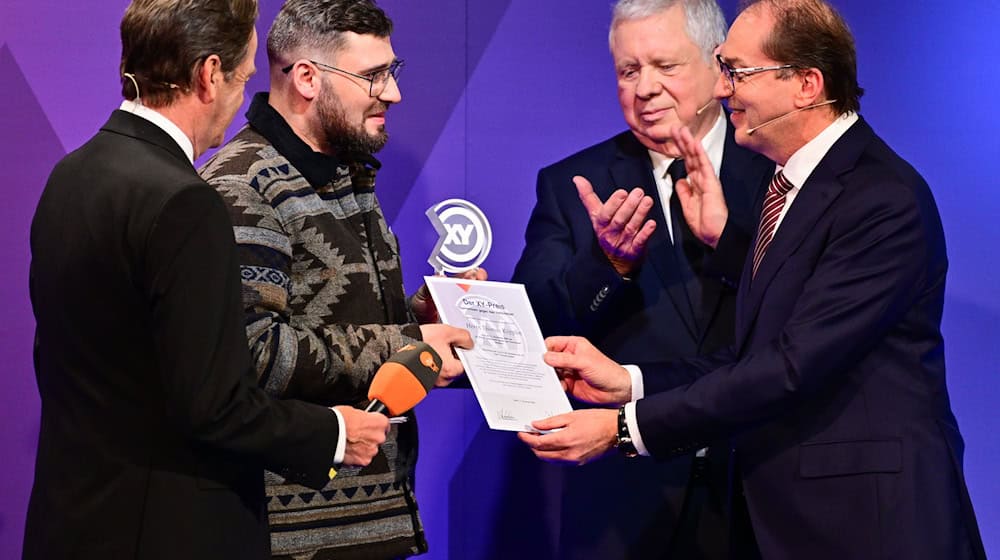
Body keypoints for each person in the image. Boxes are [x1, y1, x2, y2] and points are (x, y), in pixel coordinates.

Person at [520, 0, 987, 558]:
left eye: (737, 72)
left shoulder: (880, 198)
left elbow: (791, 366)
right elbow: (757, 352)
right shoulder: (800, 185)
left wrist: (625, 427)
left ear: (807, 85)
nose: (723, 89)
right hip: (774, 516)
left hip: (866, 522)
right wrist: (630, 383)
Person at [24, 1, 393, 559]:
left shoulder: (71, 174)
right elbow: (213, 404)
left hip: (74, 522)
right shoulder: (186, 203)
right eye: (244, 79)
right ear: (208, 74)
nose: (241, 102)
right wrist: (333, 434)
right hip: (166, 529)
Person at [199, 1, 478, 558]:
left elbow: (338, 322)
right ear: (307, 78)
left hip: (372, 522)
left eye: (391, 72)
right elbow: (255, 352)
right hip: (293, 538)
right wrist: (408, 343)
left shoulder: (348, 174)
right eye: (373, 76)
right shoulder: (241, 187)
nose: (393, 93)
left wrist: (418, 316)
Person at [510, 0, 771, 557]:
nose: (645, 88)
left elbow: (797, 316)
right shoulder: (573, 184)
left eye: (665, 66)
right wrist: (607, 265)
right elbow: (534, 326)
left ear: (718, 65)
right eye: (629, 71)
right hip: (626, 504)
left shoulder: (778, 171)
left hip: (760, 486)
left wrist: (728, 238)